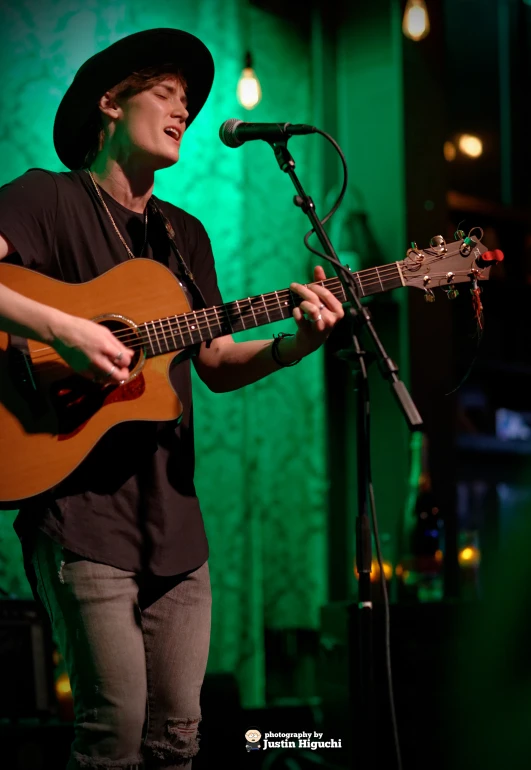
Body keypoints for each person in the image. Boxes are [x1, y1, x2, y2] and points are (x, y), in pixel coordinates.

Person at [0, 28, 344, 770]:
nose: (183, 109)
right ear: (109, 103)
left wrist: (296, 344)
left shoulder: (183, 237)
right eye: (165, 94)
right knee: (112, 733)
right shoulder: (46, 199)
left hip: (176, 527)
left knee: (179, 738)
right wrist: (62, 330)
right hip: (79, 511)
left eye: (188, 102)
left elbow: (215, 359)